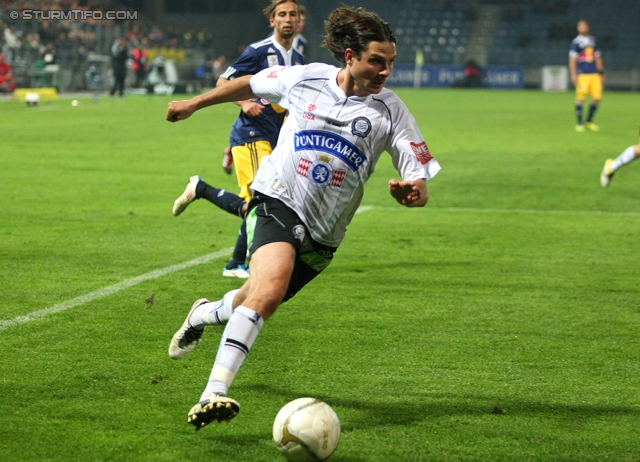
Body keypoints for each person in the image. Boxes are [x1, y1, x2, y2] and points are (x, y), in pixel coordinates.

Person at [165, 5, 441, 430]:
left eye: (390, 63)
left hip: (325, 236)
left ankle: (201, 314)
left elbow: (418, 169)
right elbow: (247, 82)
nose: (385, 71)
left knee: (252, 299)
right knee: (268, 292)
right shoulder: (306, 78)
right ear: (350, 56)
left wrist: (413, 191)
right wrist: (193, 104)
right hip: (276, 199)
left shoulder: (391, 111)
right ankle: (213, 393)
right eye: (376, 61)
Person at [172, 0, 304, 279]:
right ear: (272, 21)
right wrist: (244, 103)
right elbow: (223, 83)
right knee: (259, 202)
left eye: (293, 14)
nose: (288, 19)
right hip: (252, 134)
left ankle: (233, 257)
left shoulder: (299, 60)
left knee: (262, 201)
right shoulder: (258, 51)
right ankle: (238, 261)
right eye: (282, 14)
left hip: (272, 140)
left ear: (300, 21)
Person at [569, 20, 604, 132]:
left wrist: (601, 72)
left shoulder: (593, 40)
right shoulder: (575, 42)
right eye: (580, 26)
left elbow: (597, 57)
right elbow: (573, 59)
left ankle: (589, 122)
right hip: (582, 74)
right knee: (580, 98)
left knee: (597, 98)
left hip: (594, 74)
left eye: (584, 26)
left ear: (587, 27)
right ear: (578, 28)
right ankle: (579, 123)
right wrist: (573, 74)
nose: (583, 28)